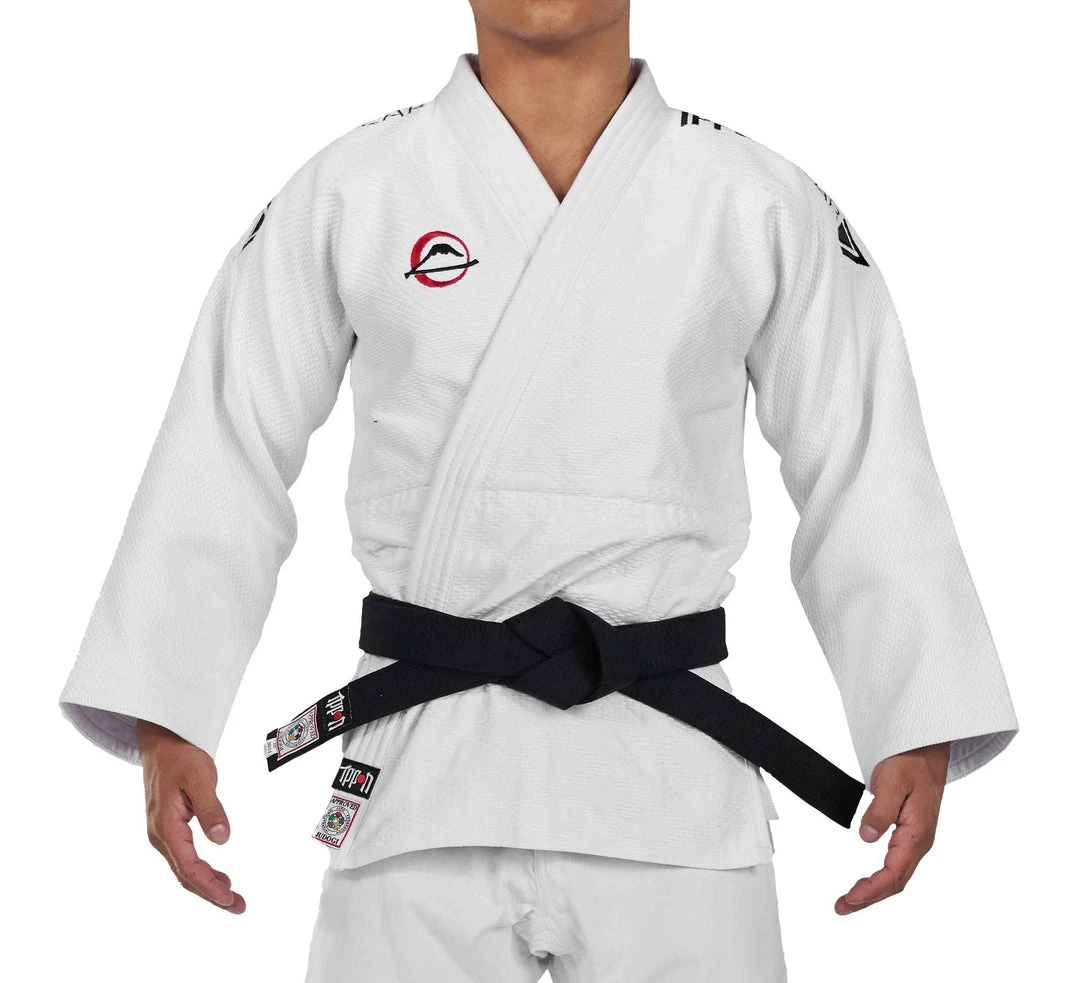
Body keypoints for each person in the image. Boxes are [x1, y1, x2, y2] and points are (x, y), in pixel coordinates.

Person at [58, 1, 1019, 979]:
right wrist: (166, 709)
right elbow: (226, 440)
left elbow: (864, 455)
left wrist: (917, 717)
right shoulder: (354, 188)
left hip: (671, 776)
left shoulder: (754, 198)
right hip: (420, 774)